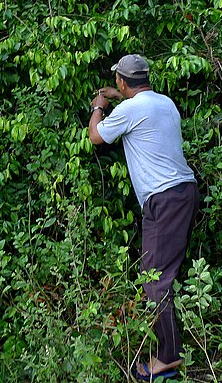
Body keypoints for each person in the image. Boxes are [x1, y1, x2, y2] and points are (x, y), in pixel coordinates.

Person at [88, 54, 199, 382]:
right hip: (183, 192)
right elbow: (139, 110)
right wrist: (118, 95)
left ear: (123, 82)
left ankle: (168, 357)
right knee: (160, 275)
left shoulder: (129, 110)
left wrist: (98, 106)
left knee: (155, 278)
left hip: (163, 199)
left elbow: (97, 137)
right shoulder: (165, 103)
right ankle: (169, 351)